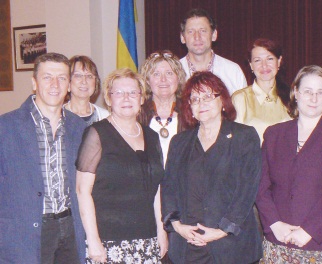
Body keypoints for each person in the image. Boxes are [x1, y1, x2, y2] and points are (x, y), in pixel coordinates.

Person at [256, 65, 322, 263]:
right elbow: (261, 185)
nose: (314, 98)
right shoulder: (274, 134)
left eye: (321, 92)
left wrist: (309, 230)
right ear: (296, 93)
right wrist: (275, 224)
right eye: (308, 91)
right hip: (279, 240)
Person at [161, 71, 262, 263]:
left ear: (222, 100)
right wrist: (176, 225)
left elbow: (247, 191)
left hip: (231, 247)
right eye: (195, 99)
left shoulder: (244, 137)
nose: (201, 103)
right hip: (187, 246)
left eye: (208, 96)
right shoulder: (179, 142)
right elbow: (169, 187)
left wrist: (221, 230)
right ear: (189, 107)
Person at [0, 53, 86, 263]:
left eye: (62, 78)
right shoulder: (6, 126)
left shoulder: (79, 127)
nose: (55, 84)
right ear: (34, 82)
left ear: (69, 85)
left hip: (70, 227)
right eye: (47, 77)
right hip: (23, 232)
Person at [76, 68, 167, 263]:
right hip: (108, 242)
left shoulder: (152, 137)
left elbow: (157, 188)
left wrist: (161, 231)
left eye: (133, 92)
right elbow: (82, 190)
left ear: (142, 98)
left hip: (147, 238)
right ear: (109, 99)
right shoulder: (97, 134)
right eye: (119, 93)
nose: (126, 98)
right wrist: (93, 240)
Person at [232, 38, 291, 142]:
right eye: (257, 60)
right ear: (250, 65)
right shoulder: (240, 98)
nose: (264, 65)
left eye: (270, 59)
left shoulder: (292, 96)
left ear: (279, 61)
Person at [179, 8, 247, 95]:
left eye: (203, 31)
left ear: (214, 35)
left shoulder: (232, 71)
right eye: (191, 31)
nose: (197, 37)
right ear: (182, 37)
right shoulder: (172, 73)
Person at [138, 50, 186, 165]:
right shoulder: (138, 114)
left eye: (169, 73)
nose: (163, 79)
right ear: (148, 81)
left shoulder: (191, 112)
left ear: (178, 78)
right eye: (156, 74)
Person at [63, 55, 109, 126]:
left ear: (95, 82)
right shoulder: (57, 116)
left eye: (89, 76)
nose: (84, 81)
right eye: (78, 75)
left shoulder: (106, 116)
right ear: (68, 82)